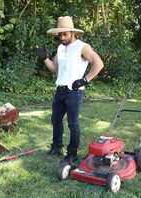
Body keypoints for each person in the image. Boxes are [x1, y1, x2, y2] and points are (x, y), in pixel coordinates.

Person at [35, 16, 104, 164]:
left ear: (72, 32)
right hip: (60, 90)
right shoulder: (60, 48)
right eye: (60, 34)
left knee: (73, 123)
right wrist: (45, 58)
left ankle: (72, 154)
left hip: (74, 91)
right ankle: (56, 148)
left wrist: (85, 80)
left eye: (65, 34)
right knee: (56, 120)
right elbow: (54, 69)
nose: (62, 37)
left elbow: (99, 63)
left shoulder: (82, 47)